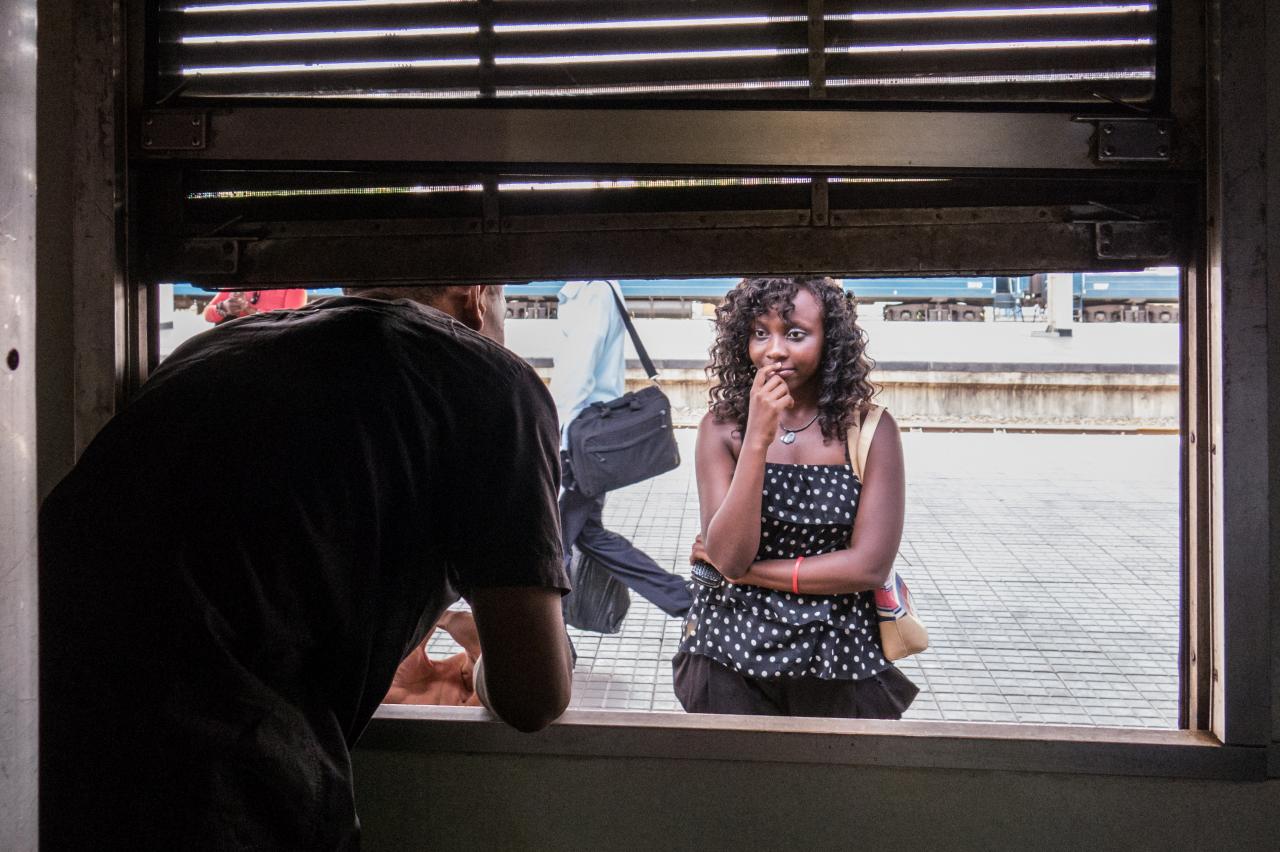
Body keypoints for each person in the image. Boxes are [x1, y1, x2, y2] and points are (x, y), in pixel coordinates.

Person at [40, 284, 573, 850]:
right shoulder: (492, 382)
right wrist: (492, 656)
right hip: (218, 790)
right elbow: (533, 694)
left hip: (41, 747)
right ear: (478, 295)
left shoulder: (211, 351)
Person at [672, 276, 918, 719]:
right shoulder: (721, 428)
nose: (775, 350)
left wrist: (752, 575)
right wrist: (756, 440)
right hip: (728, 653)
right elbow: (728, 556)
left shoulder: (870, 430)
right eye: (760, 332)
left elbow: (868, 566)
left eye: (796, 334)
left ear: (830, 341)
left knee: (828, 787)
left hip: (839, 657)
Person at [552, 279, 693, 619]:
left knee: (552, 549)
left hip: (578, 442)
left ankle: (548, 643)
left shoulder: (593, 290)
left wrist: (555, 438)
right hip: (588, 442)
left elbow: (578, 372)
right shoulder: (593, 289)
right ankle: (684, 599)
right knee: (589, 536)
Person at [203, 287, 308, 324]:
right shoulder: (238, 282)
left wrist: (250, 310)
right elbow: (208, 314)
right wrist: (224, 307)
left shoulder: (293, 288)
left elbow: (291, 323)